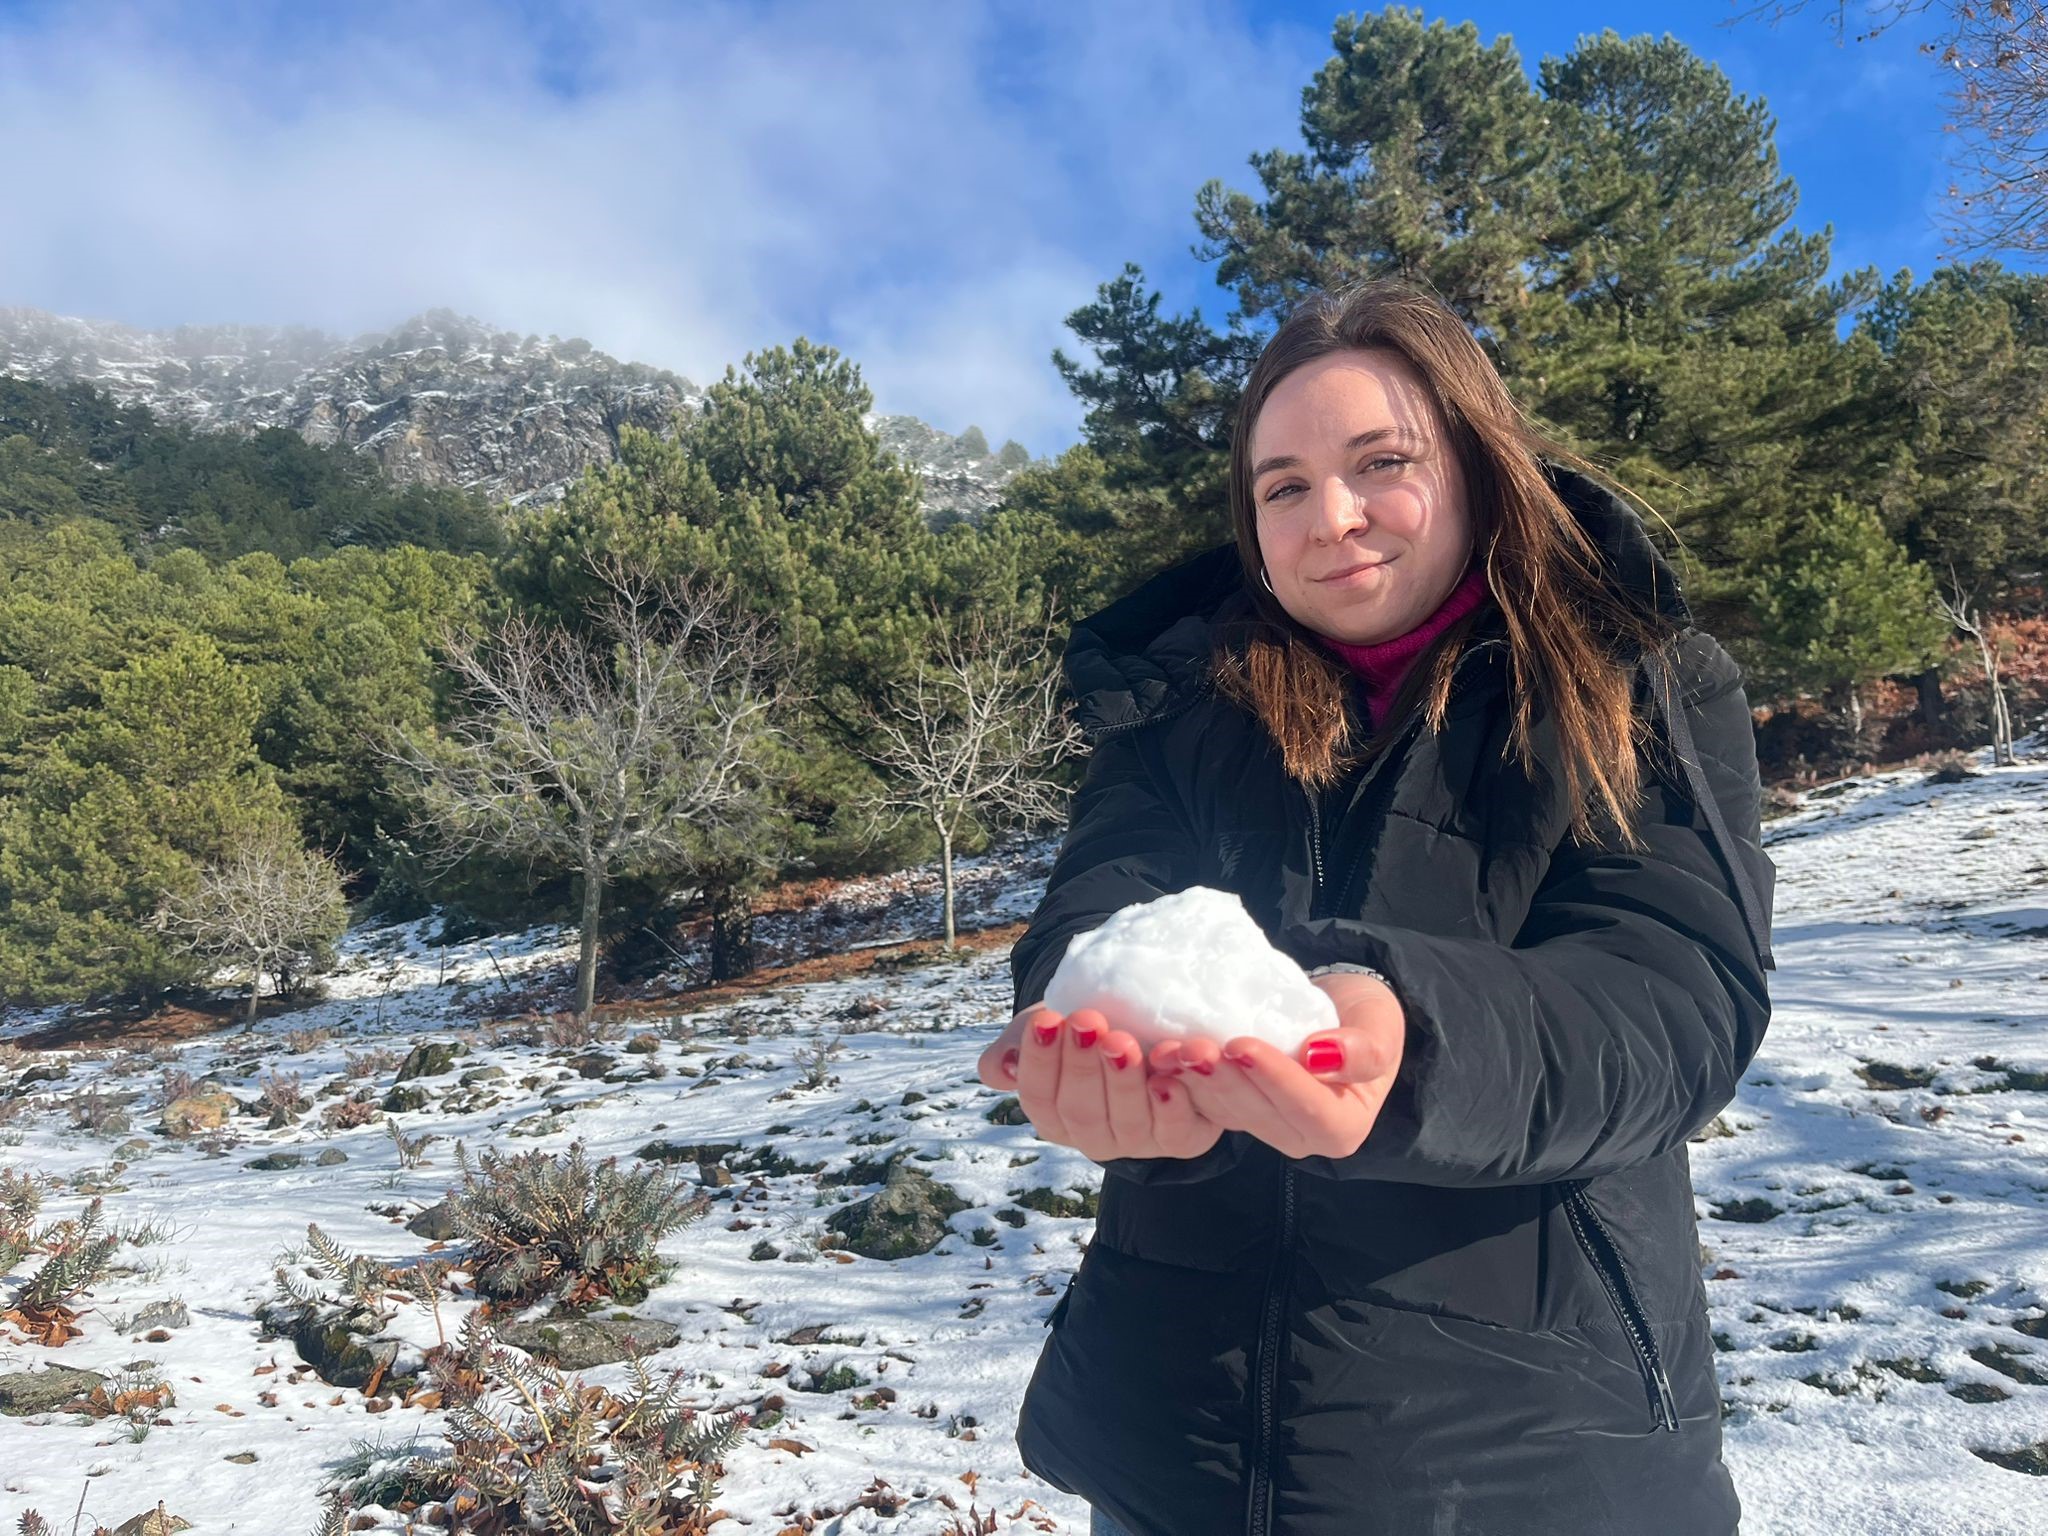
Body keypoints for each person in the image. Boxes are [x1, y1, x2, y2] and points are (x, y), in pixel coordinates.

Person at [974, 279, 1777, 1536]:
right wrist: (1085, 1033)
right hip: (1171, 1448)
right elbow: (1094, 917)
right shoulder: (1174, 712)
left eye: (1380, 461)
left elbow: (1672, 991)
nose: (1330, 517)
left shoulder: (1628, 680)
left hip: (1529, 1461)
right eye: (1282, 486)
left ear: (1473, 462)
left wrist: (1412, 1036)